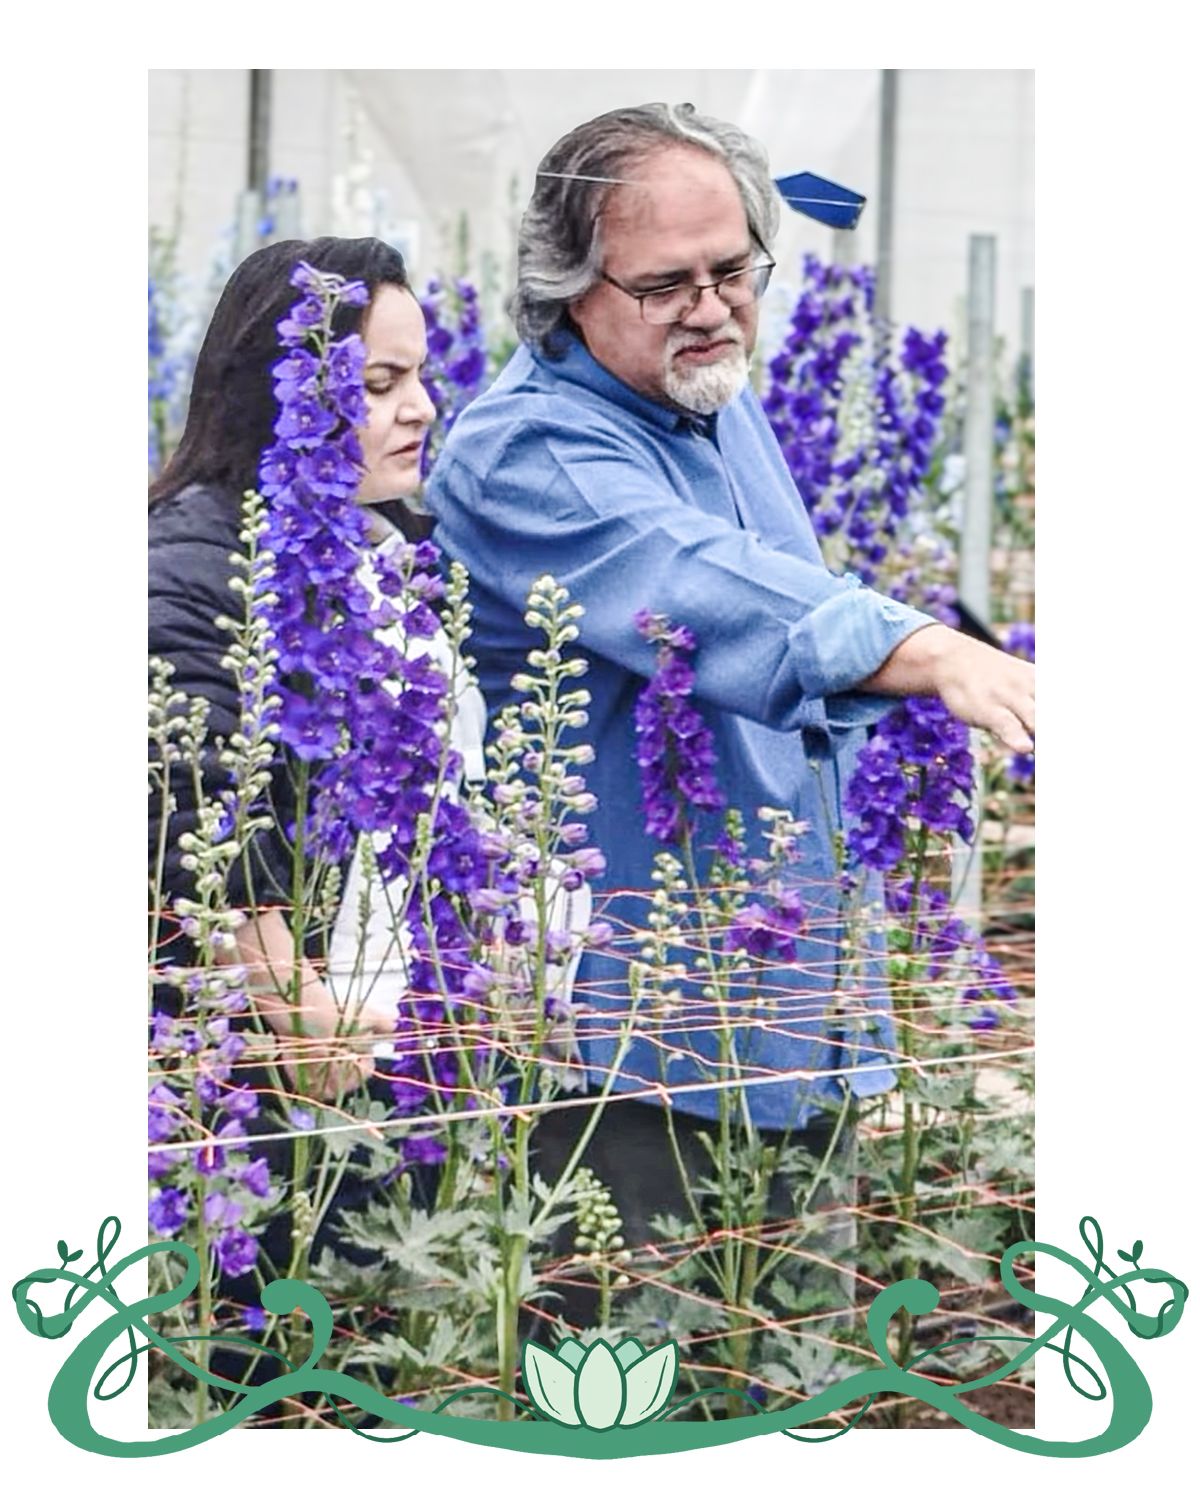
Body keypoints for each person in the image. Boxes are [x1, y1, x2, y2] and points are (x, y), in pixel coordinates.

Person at [425, 104, 1035, 1333]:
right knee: (631, 1374)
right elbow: (693, 585)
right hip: (631, 1039)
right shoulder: (526, 451)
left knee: (789, 1362)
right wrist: (919, 647)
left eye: (734, 270)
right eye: (665, 283)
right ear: (570, 289)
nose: (711, 307)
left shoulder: (712, 397)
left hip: (789, 997)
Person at [148, 237, 483, 1260]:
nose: (420, 407)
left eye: (419, 375)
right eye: (380, 384)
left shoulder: (379, 554)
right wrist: (291, 999)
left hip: (359, 1043)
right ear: (284, 397)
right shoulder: (192, 569)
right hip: (235, 1078)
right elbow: (192, 820)